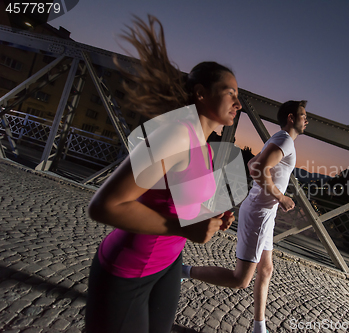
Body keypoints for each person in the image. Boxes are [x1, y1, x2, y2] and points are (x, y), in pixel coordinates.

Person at [85, 15, 241, 333]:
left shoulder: (207, 147)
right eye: (230, 92)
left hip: (167, 265)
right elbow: (104, 206)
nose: (238, 102)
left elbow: (180, 206)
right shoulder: (174, 135)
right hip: (127, 270)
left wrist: (211, 217)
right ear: (200, 93)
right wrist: (181, 227)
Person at [182, 100, 308, 333]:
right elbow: (258, 168)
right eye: (303, 115)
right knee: (241, 279)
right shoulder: (284, 140)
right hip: (260, 213)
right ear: (291, 117)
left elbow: (252, 163)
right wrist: (281, 197)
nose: (306, 119)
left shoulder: (279, 138)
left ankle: (259, 327)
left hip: (264, 213)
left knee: (266, 269)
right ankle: (183, 271)